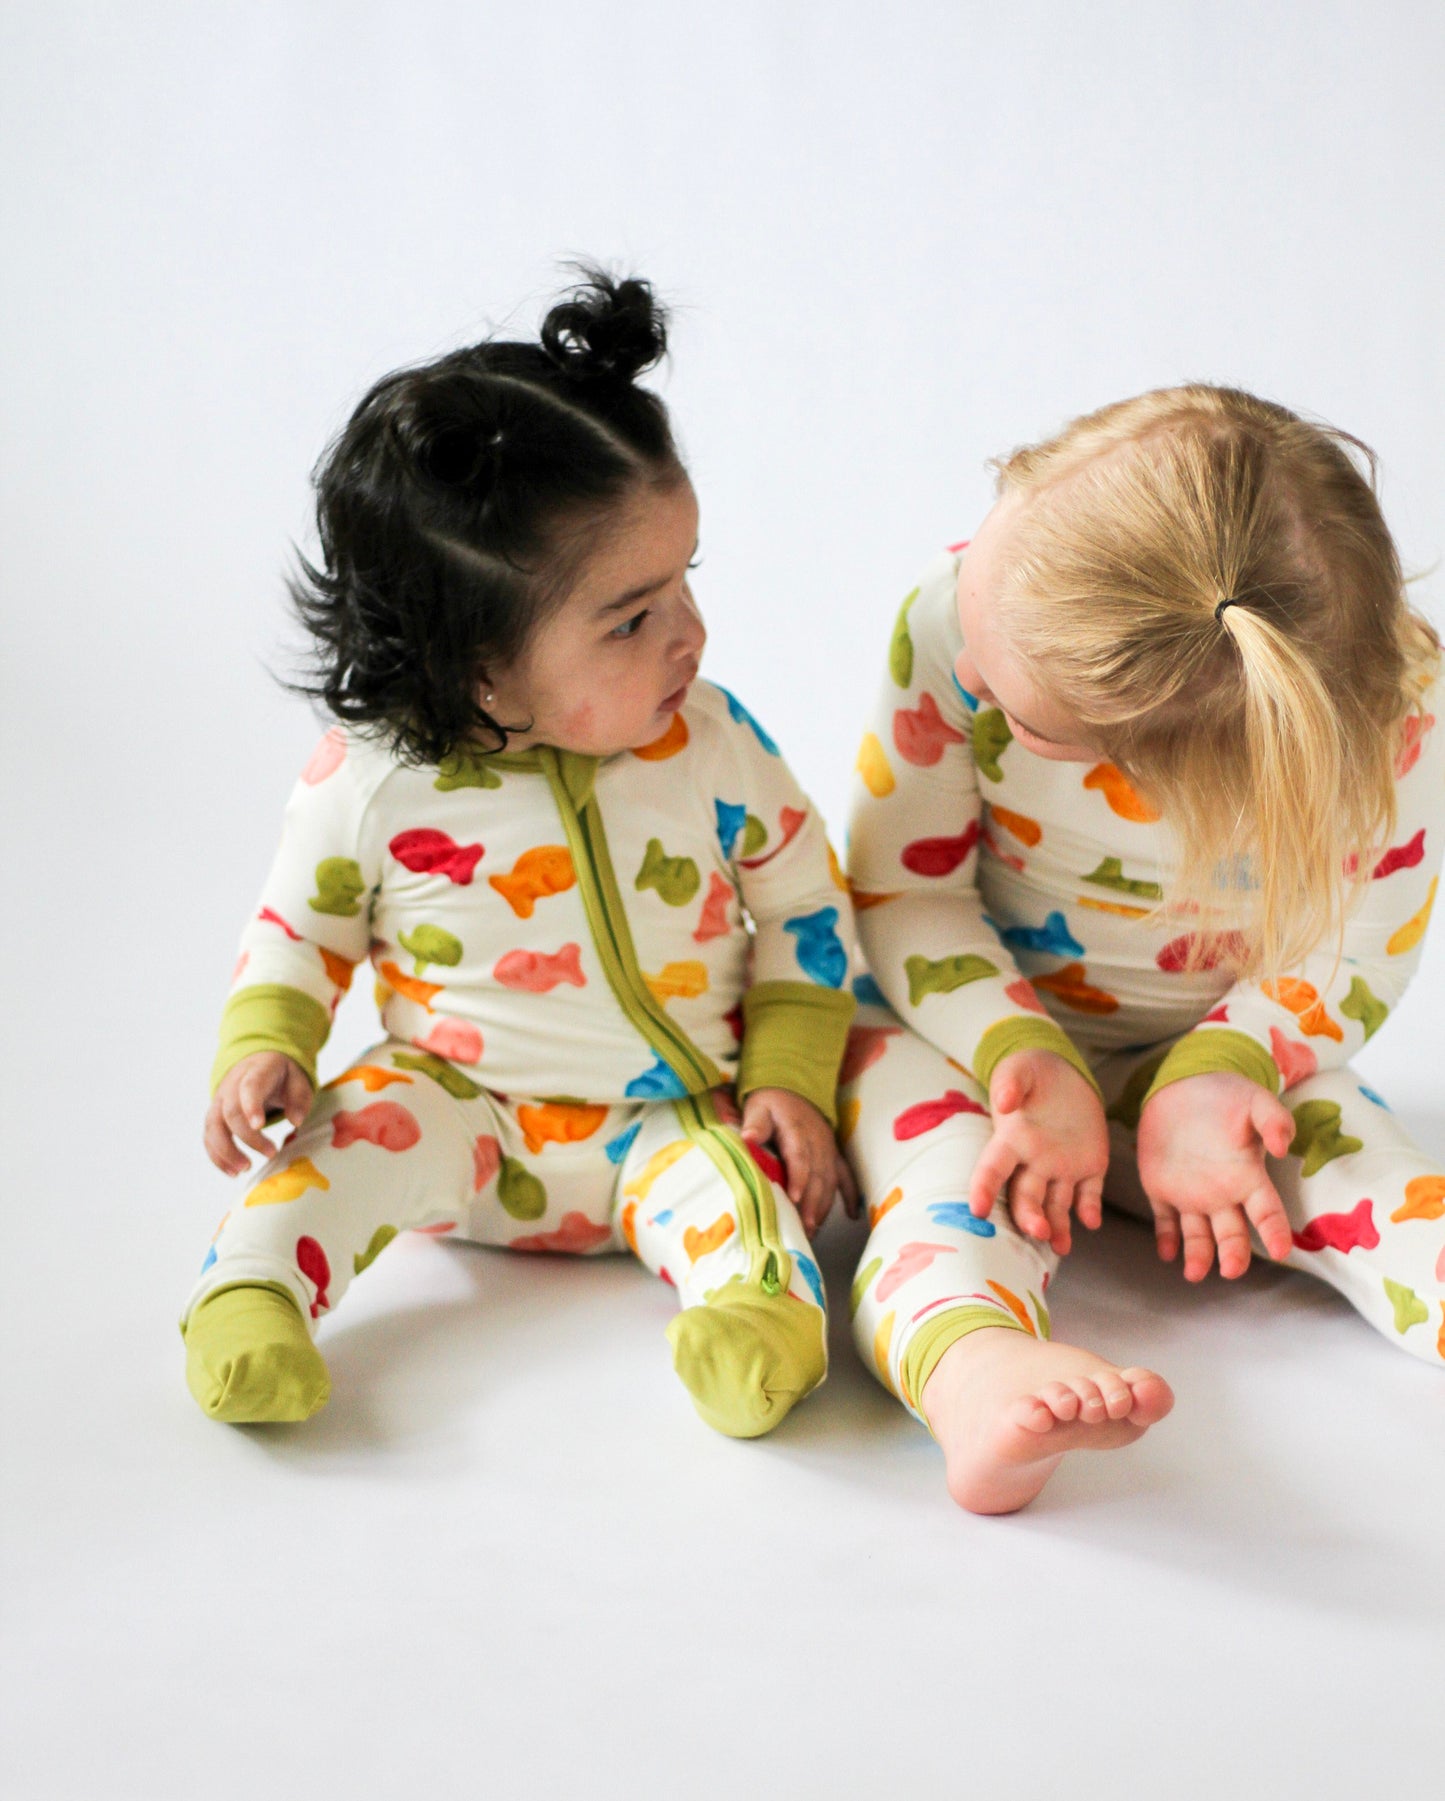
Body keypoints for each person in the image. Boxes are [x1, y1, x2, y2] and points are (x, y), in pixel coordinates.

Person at [183, 269, 858, 1438]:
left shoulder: (710, 743)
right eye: (631, 618)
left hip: (671, 1116)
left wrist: (787, 1082)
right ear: (478, 672)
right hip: (456, 1108)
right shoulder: (371, 780)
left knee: (754, 1215)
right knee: (324, 1163)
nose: (690, 635)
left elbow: (806, 908)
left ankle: (755, 1329)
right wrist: (265, 1049)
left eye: (686, 581)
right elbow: (298, 932)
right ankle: (249, 1299)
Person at [842, 385, 1445, 1513]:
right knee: (948, 1181)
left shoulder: (1390, 712)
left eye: (1021, 718)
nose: (967, 676)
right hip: (962, 1036)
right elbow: (903, 888)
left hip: (1215, 1060)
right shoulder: (956, 615)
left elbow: (1357, 947)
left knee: (1362, 1169)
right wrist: (1023, 1055)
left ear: (1158, 766)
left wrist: (1221, 1072)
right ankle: (975, 1370)